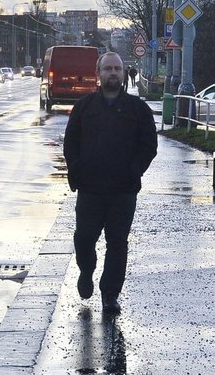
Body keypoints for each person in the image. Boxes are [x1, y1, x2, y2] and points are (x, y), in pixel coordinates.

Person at [63, 51, 157, 315]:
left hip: (123, 191)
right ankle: (86, 271)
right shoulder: (84, 107)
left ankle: (110, 293)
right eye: (108, 69)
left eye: (117, 68)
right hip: (90, 189)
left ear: (123, 73)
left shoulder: (138, 110)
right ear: (98, 74)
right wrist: (77, 170)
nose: (113, 73)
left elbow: (148, 145)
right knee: (84, 239)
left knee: (118, 242)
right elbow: (70, 143)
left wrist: (134, 170)